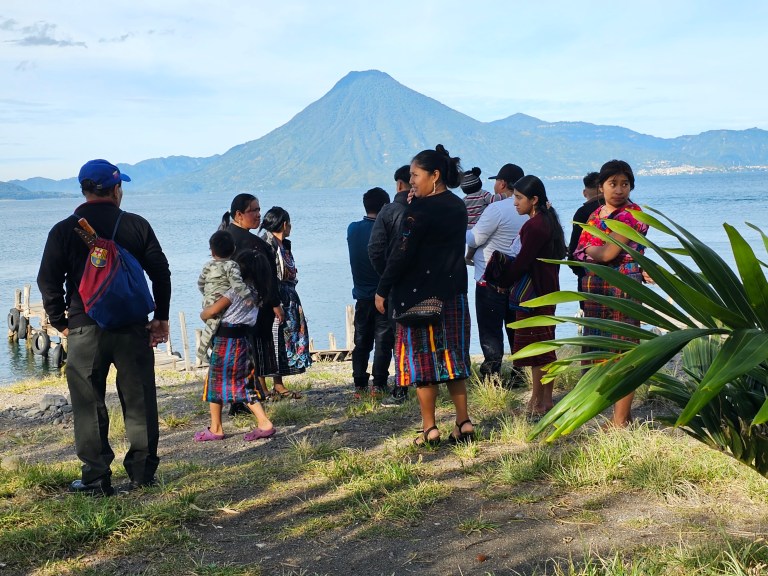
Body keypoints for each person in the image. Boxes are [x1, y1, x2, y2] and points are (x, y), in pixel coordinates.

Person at [37, 159, 171, 496]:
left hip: (85, 329)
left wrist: (60, 322)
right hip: (131, 329)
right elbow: (161, 272)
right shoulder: (136, 225)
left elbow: (48, 281)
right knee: (139, 399)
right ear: (115, 189)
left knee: (88, 403)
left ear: (83, 189)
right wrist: (161, 318)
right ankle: (142, 474)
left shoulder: (64, 229)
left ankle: (96, 478)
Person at [375, 145, 473, 446]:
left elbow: (400, 254)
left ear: (435, 175)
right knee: (454, 359)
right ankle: (463, 422)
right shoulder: (458, 206)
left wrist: (383, 288)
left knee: (423, 363)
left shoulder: (418, 211)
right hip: (453, 293)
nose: (411, 181)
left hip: (418, 297)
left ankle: (430, 428)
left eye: (415, 175)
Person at [573, 160, 649, 427]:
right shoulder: (597, 214)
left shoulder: (631, 214)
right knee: (602, 349)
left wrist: (594, 250)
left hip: (623, 285)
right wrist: (594, 250)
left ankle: (619, 421)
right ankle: (622, 416)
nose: (619, 189)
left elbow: (605, 253)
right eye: (613, 184)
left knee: (623, 350)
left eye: (624, 184)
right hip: (596, 287)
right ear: (601, 186)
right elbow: (579, 251)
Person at [490, 175, 566, 418]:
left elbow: (522, 262)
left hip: (534, 294)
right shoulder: (546, 221)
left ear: (534, 200)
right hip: (547, 290)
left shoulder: (535, 226)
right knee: (543, 348)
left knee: (538, 350)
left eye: (519, 198)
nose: (515, 203)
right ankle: (542, 399)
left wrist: (502, 282)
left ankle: (540, 401)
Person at [219, 194, 296, 407]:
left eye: (258, 209)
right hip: (253, 306)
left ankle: (239, 401)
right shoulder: (252, 243)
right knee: (252, 350)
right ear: (239, 214)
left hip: (228, 307)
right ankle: (251, 397)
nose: (258, 214)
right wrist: (274, 303)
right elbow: (267, 277)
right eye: (253, 210)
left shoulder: (225, 237)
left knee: (235, 352)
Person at [195, 251, 275, 442]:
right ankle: (256, 423)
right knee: (240, 381)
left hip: (226, 341)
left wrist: (204, 313)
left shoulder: (234, 292)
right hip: (243, 340)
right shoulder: (257, 293)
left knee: (221, 382)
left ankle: (220, 427)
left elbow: (211, 312)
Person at [466, 172, 528, 383]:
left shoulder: (496, 209)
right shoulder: (529, 209)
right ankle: (520, 372)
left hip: (489, 276)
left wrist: (464, 227)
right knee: (516, 325)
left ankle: (492, 374)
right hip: (518, 277)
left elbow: (476, 237)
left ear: (502, 183)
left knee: (490, 327)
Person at [368, 165, 411, 406]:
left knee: (400, 337)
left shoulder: (389, 211)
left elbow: (374, 249)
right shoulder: (426, 207)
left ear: (398, 184)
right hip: (428, 284)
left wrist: (386, 278)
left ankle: (402, 387)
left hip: (397, 285)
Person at [347, 187, 395, 399]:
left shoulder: (352, 229)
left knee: (362, 342)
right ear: (385, 207)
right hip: (383, 295)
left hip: (361, 296)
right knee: (383, 341)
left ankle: (359, 384)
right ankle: (379, 383)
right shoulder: (385, 230)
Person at [258, 207, 312, 393]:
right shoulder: (267, 245)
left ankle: (278, 384)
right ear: (284, 224)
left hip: (287, 297)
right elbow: (267, 277)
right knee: (269, 340)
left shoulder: (283, 245)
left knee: (281, 339)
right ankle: (263, 387)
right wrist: (274, 302)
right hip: (274, 298)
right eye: (289, 223)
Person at [196, 230, 254, 363]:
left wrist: (205, 294)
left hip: (207, 298)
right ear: (233, 249)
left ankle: (211, 347)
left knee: (212, 326)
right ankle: (202, 351)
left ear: (212, 252)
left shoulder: (208, 265)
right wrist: (247, 297)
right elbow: (237, 284)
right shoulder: (232, 265)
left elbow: (200, 283)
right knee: (212, 326)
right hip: (219, 300)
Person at [567, 171, 602, 305]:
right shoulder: (622, 210)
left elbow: (574, 251)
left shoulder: (583, 213)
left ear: (584, 192)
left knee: (592, 320)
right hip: (622, 279)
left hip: (588, 277)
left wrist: (579, 271)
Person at [461, 167, 493, 266]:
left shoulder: (464, 200)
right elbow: (493, 200)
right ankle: (468, 258)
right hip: (479, 226)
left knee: (472, 245)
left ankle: (468, 257)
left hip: (468, 229)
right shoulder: (483, 194)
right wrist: (506, 195)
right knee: (478, 244)